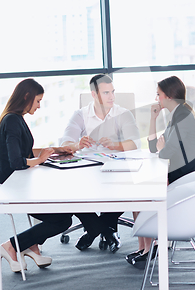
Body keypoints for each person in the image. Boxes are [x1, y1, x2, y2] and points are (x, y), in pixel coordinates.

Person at [126, 75, 195, 268]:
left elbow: (163, 154)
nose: (157, 99)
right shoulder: (178, 114)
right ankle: (146, 248)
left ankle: (151, 248)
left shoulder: (182, 117)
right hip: (186, 175)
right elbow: (156, 148)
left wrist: (164, 148)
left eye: (158, 95)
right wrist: (153, 118)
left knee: (143, 195)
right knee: (142, 194)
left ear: (169, 95)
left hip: (190, 181)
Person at [0, 78, 74, 272]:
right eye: (38, 101)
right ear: (27, 96)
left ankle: (31, 244)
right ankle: (13, 245)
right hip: (10, 188)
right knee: (63, 219)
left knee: (63, 211)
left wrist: (54, 150)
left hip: (18, 183)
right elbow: (17, 162)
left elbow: (24, 152)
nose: (39, 106)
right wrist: (40, 159)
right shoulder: (12, 120)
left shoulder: (16, 118)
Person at [60, 74, 141, 253]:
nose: (112, 96)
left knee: (127, 191)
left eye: (113, 92)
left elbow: (136, 143)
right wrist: (77, 144)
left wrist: (116, 145)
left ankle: (94, 230)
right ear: (94, 95)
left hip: (117, 169)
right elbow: (65, 144)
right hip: (87, 169)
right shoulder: (81, 115)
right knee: (71, 191)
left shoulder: (123, 114)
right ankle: (105, 230)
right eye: (106, 93)